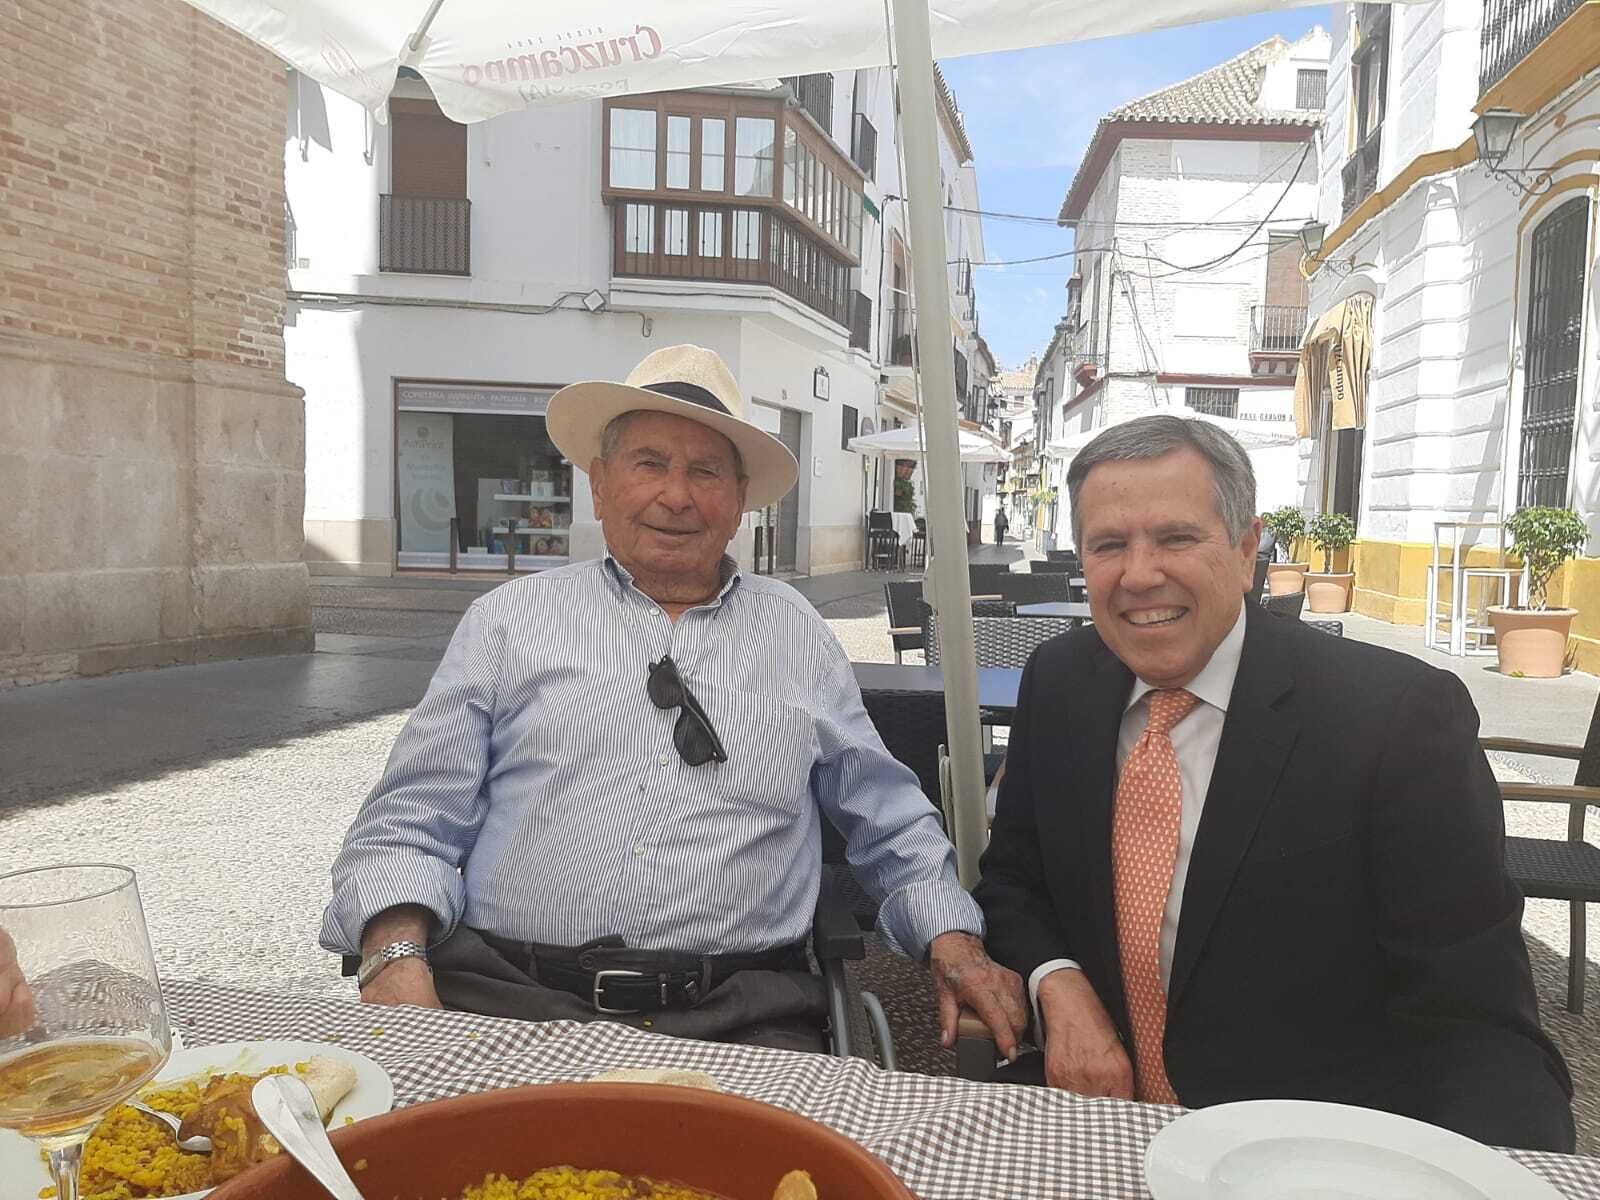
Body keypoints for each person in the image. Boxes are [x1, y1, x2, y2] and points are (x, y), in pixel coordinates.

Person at [323, 344, 1026, 1057]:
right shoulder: (508, 621)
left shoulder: (795, 632)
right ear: (600, 485)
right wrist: (393, 952)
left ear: (740, 499)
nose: (677, 495)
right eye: (650, 463)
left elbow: (887, 813)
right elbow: (407, 820)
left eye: (705, 471)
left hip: (743, 1016)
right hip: (510, 1000)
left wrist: (953, 938)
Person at [974, 414, 1574, 1151]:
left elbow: (1474, 1014)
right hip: (1101, 1121)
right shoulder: (1060, 681)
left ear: (1247, 549)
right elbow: (1013, 880)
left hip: (1311, 1150)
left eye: (1176, 538)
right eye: (1108, 545)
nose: (1139, 574)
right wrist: (1058, 982)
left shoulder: (1395, 718)